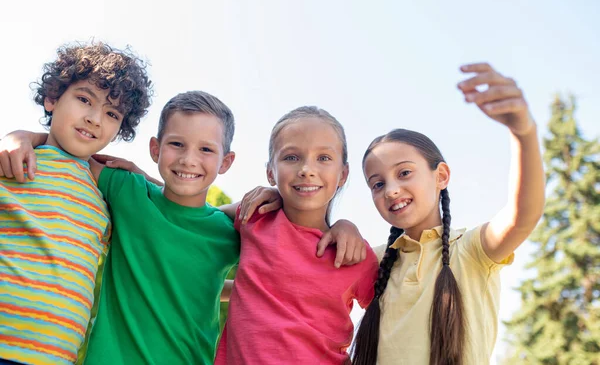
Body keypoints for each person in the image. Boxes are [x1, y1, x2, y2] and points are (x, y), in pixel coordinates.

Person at [1, 94, 367, 365]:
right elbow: (70, 152)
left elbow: (283, 265)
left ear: (226, 162)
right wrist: (20, 136)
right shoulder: (126, 190)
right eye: (177, 145)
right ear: (156, 148)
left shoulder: (233, 226)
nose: (189, 159)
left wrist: (345, 224)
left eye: (206, 149)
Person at [351, 63, 545, 365]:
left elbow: (523, 215)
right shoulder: (372, 262)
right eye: (377, 184)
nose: (390, 190)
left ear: (441, 176)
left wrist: (523, 132)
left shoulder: (471, 250)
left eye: (404, 173)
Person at [0, 42, 152, 365]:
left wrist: (143, 178)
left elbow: (175, 213)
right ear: (52, 98)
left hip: (55, 358)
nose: (95, 119)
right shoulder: (14, 159)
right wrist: (18, 137)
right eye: (84, 99)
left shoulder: (108, 198)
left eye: (112, 114)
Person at [214, 106, 379, 364]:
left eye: (323, 158)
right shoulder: (254, 217)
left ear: (343, 175)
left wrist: (347, 224)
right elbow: (193, 216)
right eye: (291, 157)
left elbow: (390, 319)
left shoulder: (354, 254)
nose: (306, 169)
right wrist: (145, 181)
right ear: (271, 172)